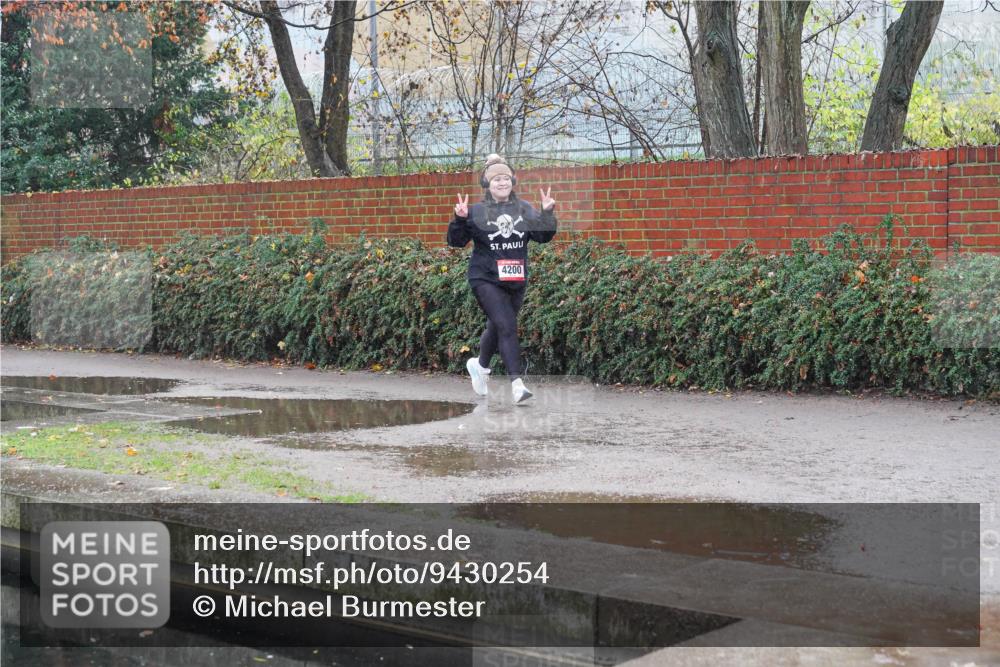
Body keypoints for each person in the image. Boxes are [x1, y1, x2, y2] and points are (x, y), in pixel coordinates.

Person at [447, 154, 557, 404]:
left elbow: (543, 236)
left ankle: (480, 366)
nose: (502, 182)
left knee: (498, 326)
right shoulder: (476, 211)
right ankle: (517, 384)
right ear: (487, 183)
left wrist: (547, 213)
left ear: (513, 181)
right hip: (485, 278)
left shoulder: (524, 209)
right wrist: (460, 220)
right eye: (496, 179)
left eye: (506, 178)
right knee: (507, 326)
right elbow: (455, 242)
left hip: (516, 278)